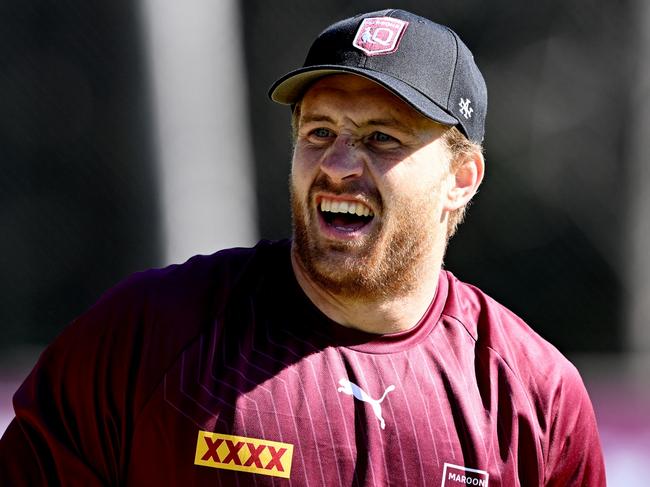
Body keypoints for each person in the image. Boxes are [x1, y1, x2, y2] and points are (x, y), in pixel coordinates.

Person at [0, 8, 606, 486]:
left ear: (462, 178)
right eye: (319, 132)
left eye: (380, 137)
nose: (339, 165)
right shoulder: (147, 335)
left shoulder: (532, 396)